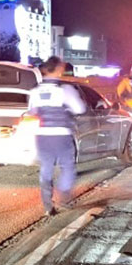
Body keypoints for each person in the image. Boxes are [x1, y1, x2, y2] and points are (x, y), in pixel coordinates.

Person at [27, 56, 87, 216]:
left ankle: (48, 206)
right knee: (67, 166)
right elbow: (80, 109)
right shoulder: (65, 89)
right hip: (62, 135)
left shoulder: (35, 91)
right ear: (59, 69)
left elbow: (32, 111)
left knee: (46, 168)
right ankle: (64, 198)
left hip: (42, 136)